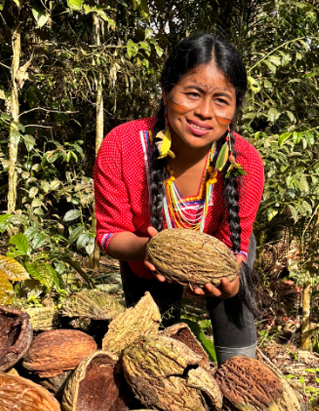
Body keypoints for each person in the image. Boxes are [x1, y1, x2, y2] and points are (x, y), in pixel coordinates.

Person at [93, 33, 264, 364]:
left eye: (221, 100)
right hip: (145, 262)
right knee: (153, 344)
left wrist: (230, 280)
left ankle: (244, 386)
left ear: (235, 109)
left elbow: (235, 244)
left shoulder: (245, 162)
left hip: (223, 250)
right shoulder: (122, 146)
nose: (204, 112)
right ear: (166, 93)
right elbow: (109, 234)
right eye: (192, 94)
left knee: (233, 309)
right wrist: (148, 249)